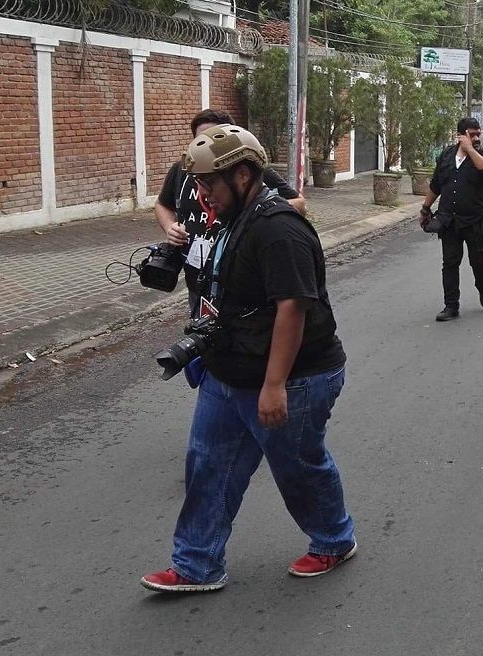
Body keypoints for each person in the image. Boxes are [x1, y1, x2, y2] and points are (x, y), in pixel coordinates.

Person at [141, 124, 355, 592]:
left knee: (298, 466)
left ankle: (334, 540)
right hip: (230, 366)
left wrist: (275, 384)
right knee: (207, 463)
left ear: (242, 176)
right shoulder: (229, 218)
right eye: (195, 185)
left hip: (295, 375)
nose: (200, 195)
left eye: (207, 184)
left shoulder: (279, 229)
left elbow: (293, 309)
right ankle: (197, 563)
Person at [155, 108, 305, 316]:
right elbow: (162, 204)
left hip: (236, 279)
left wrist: (263, 215)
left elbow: (298, 203)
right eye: (201, 140)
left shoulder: (246, 169)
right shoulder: (181, 170)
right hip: (198, 279)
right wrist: (170, 227)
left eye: (216, 140)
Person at [419, 117, 483, 322]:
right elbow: (436, 184)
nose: (477, 138)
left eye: (478, 134)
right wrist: (425, 208)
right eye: (472, 135)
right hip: (450, 221)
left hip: (475, 220)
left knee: (479, 261)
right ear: (461, 135)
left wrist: (471, 150)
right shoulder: (446, 156)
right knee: (450, 263)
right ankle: (451, 305)